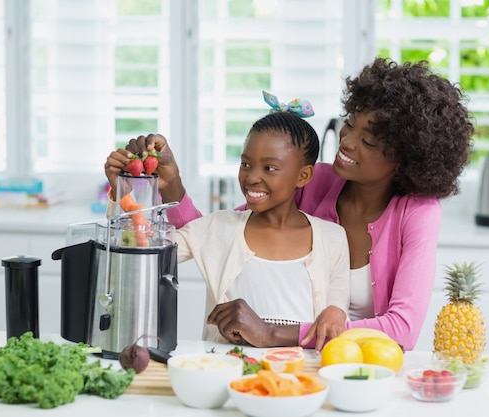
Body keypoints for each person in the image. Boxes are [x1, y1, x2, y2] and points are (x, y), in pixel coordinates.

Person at [104, 57, 475, 352]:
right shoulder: (318, 179)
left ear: (405, 157)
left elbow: (403, 330)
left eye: (370, 140)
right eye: (350, 123)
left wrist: (272, 332)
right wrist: (171, 186)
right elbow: (222, 236)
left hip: (365, 364)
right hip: (297, 362)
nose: (347, 141)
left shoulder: (418, 212)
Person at [107, 110, 351, 346]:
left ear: (304, 175)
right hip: (226, 373)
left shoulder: (333, 238)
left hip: (300, 379)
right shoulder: (217, 227)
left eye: (270, 168)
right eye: (246, 164)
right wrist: (125, 192)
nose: (252, 177)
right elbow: (139, 254)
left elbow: (333, 326)